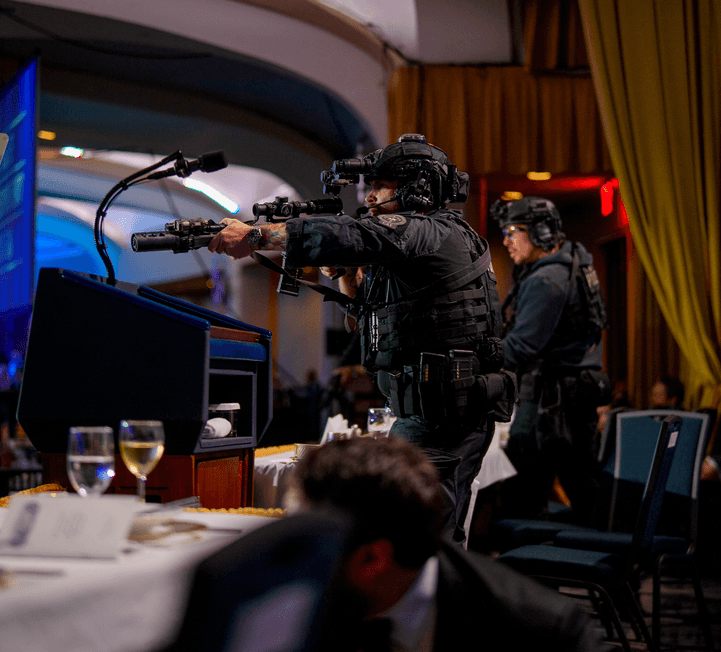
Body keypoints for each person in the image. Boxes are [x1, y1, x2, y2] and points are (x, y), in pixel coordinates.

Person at [209, 134, 512, 542]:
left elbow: (353, 235)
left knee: (420, 540)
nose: (369, 197)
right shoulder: (417, 244)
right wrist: (349, 275)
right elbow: (373, 316)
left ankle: (437, 604)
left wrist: (257, 237)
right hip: (431, 411)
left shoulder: (430, 231)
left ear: (415, 187)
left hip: (442, 416)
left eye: (379, 186)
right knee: (417, 534)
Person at [289, 437, 607, 652]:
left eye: (303, 539)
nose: (288, 554)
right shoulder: (284, 613)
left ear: (372, 559)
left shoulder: (542, 632)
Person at [493, 197, 609, 524]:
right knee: (583, 487)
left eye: (512, 231)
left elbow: (521, 346)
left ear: (540, 232)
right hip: (569, 397)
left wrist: (478, 366)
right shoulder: (570, 264)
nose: (506, 240)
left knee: (525, 494)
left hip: (551, 402)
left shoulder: (547, 280)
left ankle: (530, 568)